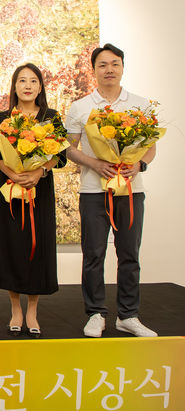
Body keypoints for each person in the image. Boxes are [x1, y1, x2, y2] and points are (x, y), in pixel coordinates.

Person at [65, 43, 158, 338]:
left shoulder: (140, 105)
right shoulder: (81, 106)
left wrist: (139, 165)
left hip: (131, 191)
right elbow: (68, 147)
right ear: (93, 70)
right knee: (93, 253)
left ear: (122, 67)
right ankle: (95, 313)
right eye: (102, 65)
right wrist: (94, 163)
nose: (109, 69)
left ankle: (128, 316)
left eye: (115, 64)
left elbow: (150, 147)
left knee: (129, 254)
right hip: (94, 192)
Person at [0, 63, 66, 338]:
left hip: (39, 189)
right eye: (22, 80)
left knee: (37, 245)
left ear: (40, 87)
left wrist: (39, 172)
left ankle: (32, 310)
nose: (28, 85)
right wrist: (13, 174)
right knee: (12, 245)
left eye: (33, 81)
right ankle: (15, 310)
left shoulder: (51, 117)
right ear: (15, 86)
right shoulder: (2, 118)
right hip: (10, 188)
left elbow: (60, 155)